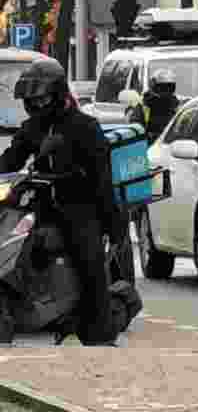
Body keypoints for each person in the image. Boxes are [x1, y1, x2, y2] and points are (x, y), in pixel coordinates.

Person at [0, 57, 119, 346]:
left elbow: (102, 179)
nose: (34, 105)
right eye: (30, 100)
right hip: (41, 206)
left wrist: (112, 223)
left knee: (89, 263)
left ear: (57, 94)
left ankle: (100, 333)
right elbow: (10, 159)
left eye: (39, 99)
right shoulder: (32, 128)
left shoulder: (85, 127)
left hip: (78, 208)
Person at [128, 69, 181, 144]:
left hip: (170, 144)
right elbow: (135, 126)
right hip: (149, 144)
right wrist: (146, 136)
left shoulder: (176, 104)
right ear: (153, 86)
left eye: (169, 87)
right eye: (162, 87)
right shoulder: (144, 104)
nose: (165, 90)